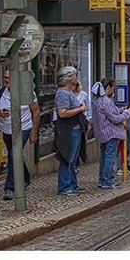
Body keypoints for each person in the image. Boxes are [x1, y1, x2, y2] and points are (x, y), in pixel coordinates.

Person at [0, 68, 40, 201]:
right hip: (6, 129)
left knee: (13, 155)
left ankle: (9, 188)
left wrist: (34, 131)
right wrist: (0, 114)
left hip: (24, 128)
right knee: (15, 156)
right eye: (5, 78)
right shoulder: (0, 92)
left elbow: (36, 112)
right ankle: (26, 178)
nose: (6, 80)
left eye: (9, 78)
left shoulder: (27, 93)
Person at [53, 66, 89, 195]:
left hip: (76, 129)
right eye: (74, 76)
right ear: (68, 79)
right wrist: (80, 109)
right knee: (67, 158)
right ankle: (65, 186)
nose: (76, 78)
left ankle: (73, 184)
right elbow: (62, 113)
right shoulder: (63, 93)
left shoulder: (68, 92)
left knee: (73, 159)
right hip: (69, 130)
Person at [90, 78, 130, 190]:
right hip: (110, 133)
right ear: (108, 88)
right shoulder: (106, 101)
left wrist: (120, 110)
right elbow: (115, 119)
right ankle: (108, 180)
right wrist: (127, 113)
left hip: (101, 133)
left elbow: (110, 113)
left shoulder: (96, 101)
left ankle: (102, 180)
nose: (113, 90)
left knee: (104, 156)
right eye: (112, 88)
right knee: (109, 157)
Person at [73, 77, 91, 167]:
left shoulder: (83, 95)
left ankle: (76, 164)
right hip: (70, 125)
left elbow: (88, 108)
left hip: (81, 123)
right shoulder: (66, 95)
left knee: (79, 145)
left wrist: (88, 121)